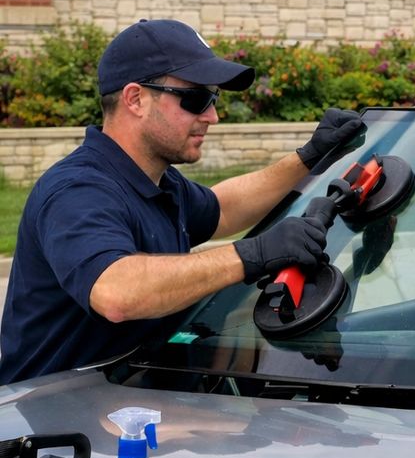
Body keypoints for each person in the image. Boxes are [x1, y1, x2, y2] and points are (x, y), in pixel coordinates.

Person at [0, 19, 366, 384]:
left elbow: (223, 208)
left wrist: (308, 157)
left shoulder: (158, 181)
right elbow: (116, 291)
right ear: (135, 99)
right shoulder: (78, 190)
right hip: (57, 427)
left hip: (134, 410)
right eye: (196, 99)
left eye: (214, 99)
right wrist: (252, 255)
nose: (212, 116)